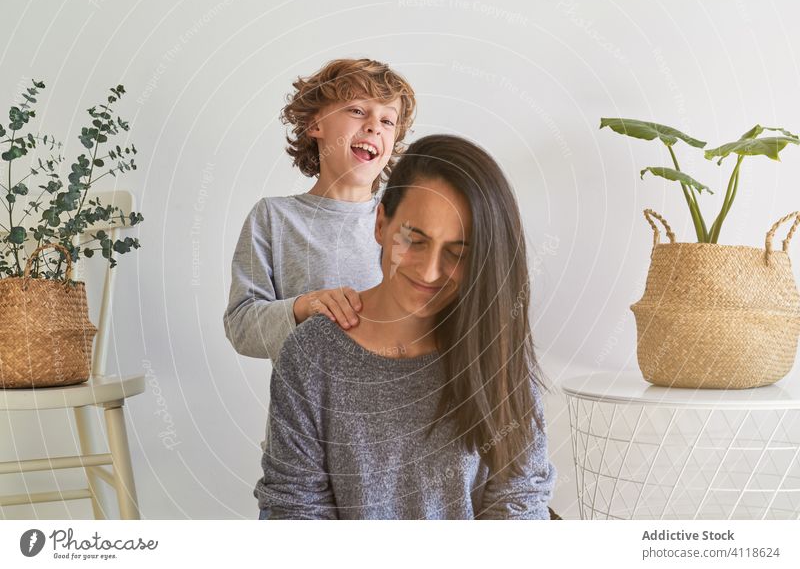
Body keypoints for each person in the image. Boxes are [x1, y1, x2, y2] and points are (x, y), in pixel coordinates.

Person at [254, 134, 557, 519]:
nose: (430, 271)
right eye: (414, 240)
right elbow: (293, 510)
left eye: (457, 253)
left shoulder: (494, 350)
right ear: (381, 224)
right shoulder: (311, 356)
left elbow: (521, 500)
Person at [223, 58, 416, 362]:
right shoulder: (273, 218)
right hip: (306, 407)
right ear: (315, 124)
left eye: (387, 121)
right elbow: (241, 328)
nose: (373, 127)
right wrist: (305, 306)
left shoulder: (405, 224)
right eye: (357, 110)